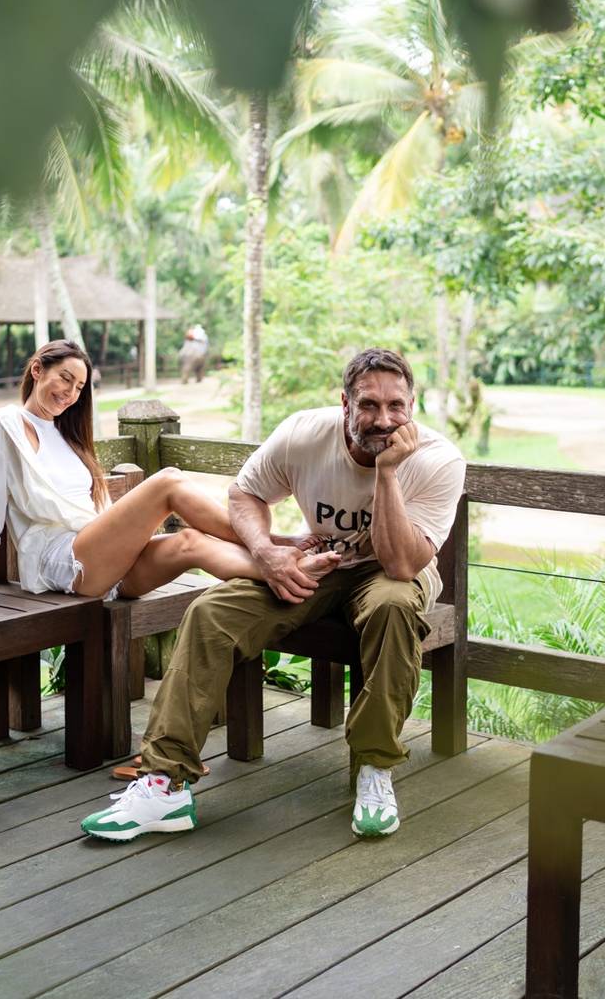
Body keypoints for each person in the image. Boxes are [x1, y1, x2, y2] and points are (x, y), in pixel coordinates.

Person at [81, 348, 466, 842]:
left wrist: (387, 472)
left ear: (413, 407)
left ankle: (374, 767)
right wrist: (266, 553)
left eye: (397, 407)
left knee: (393, 607)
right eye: (369, 405)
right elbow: (245, 494)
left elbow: (401, 564)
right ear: (345, 404)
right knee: (211, 611)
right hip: (317, 565)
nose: (383, 420)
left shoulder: (436, 459)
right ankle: (164, 782)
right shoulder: (305, 433)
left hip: (393, 572)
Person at [0, 340, 339, 609]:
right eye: (65, 378)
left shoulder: (66, 436)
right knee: (169, 480)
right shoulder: (5, 424)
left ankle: (293, 567)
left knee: (189, 541)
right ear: (37, 371)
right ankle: (276, 544)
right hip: (60, 561)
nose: (70, 393)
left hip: (102, 562)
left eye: (79, 387)